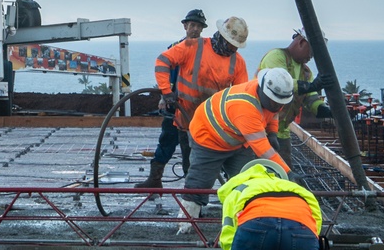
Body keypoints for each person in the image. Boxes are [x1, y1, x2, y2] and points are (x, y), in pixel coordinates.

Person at [142, 12, 249, 190]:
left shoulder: (237, 62)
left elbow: (240, 97)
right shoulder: (192, 46)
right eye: (231, 45)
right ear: (221, 37)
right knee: (188, 161)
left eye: (235, 46)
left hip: (213, 125)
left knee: (206, 165)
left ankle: (200, 199)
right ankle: (189, 201)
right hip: (186, 118)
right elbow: (162, 61)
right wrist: (166, 92)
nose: (232, 49)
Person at [179, 68, 295, 230]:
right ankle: (185, 224)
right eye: (275, 102)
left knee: (245, 181)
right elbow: (264, 151)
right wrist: (287, 172)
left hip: (237, 139)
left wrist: (272, 132)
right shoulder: (245, 108)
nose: (277, 106)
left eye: (281, 103)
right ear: (263, 91)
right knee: (199, 183)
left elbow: (273, 113)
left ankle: (244, 222)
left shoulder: (271, 96)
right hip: (209, 138)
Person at [256, 30, 332, 167]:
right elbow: (282, 84)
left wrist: (323, 109)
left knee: (284, 172)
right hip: (260, 128)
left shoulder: (306, 72)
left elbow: (310, 98)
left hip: (283, 130)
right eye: (312, 52)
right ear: (302, 42)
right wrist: (312, 86)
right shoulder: (276, 57)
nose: (312, 57)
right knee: (260, 168)